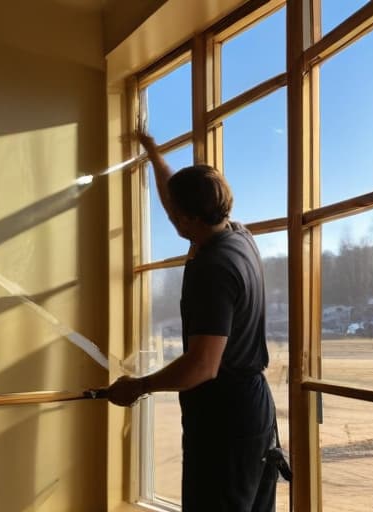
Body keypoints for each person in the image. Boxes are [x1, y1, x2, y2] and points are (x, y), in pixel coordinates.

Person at [96, 130, 279, 511]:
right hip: (252, 410)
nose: (171, 218)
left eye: (175, 215)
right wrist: (152, 152)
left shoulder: (212, 268)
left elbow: (202, 365)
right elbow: (177, 196)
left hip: (224, 419)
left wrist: (139, 386)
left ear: (190, 218)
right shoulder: (237, 234)